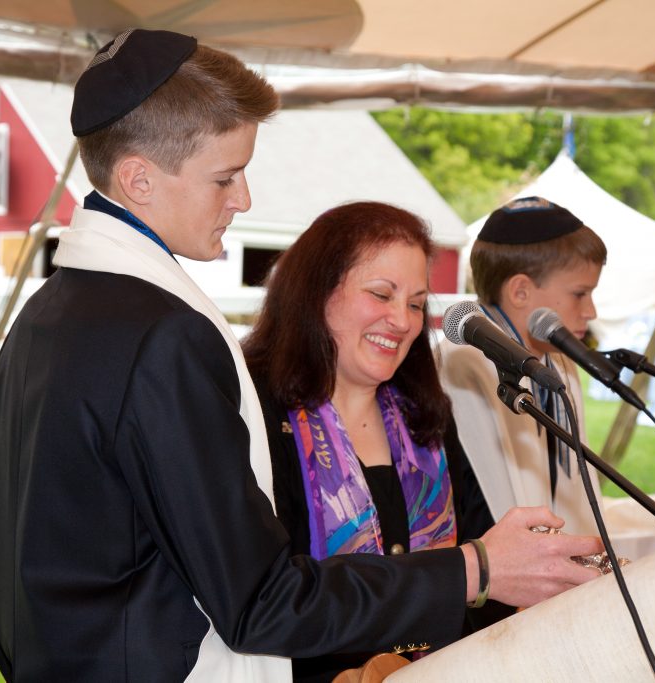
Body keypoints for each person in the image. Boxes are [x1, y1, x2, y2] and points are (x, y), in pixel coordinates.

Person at [0, 31, 602, 682]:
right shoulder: (163, 333)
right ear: (138, 179)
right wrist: (476, 568)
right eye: (225, 177)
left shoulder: (47, 314)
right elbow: (260, 601)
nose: (242, 199)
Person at [242, 201, 605, 682]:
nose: (403, 320)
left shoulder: (423, 416)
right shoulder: (257, 415)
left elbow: (482, 562)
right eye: (380, 294)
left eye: (415, 303)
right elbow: (268, 600)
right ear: (315, 292)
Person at [440, 196, 608, 536]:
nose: (591, 312)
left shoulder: (557, 363)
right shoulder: (463, 368)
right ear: (520, 292)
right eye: (580, 293)